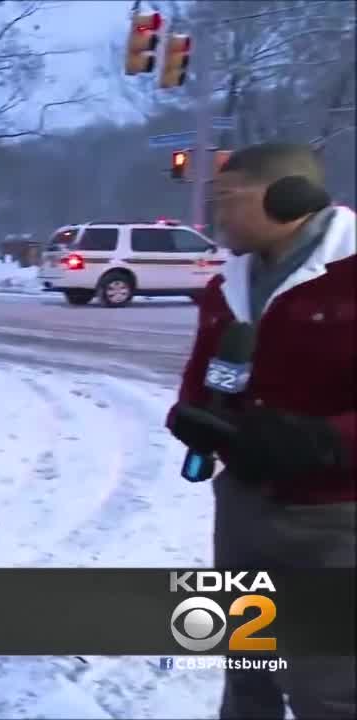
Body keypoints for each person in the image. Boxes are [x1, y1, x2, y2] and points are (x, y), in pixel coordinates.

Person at [166, 142, 355, 720]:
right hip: (244, 505)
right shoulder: (228, 280)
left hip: (337, 519)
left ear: (289, 197)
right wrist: (193, 413)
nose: (216, 214)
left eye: (228, 198)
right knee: (249, 668)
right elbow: (205, 371)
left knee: (328, 688)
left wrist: (323, 442)